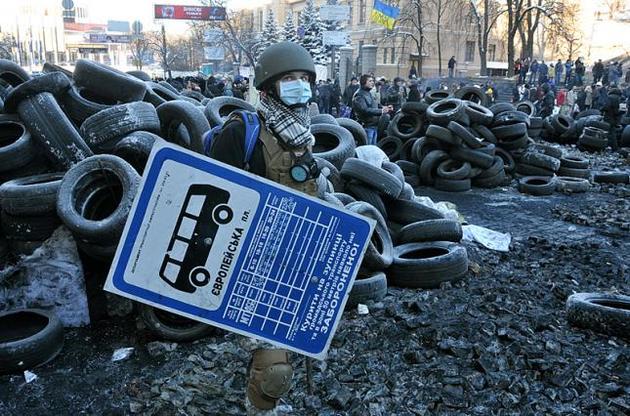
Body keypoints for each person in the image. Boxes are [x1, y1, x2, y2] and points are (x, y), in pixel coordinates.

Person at [208, 42, 322, 414]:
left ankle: (256, 398)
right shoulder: (241, 131)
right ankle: (261, 405)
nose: (300, 85)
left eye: (304, 78)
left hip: (292, 263)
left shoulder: (302, 135)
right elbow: (213, 200)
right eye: (289, 78)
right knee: (274, 371)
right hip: (247, 266)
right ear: (268, 86)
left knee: (281, 357)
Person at [352, 74, 392, 145]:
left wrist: (385, 107)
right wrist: (381, 111)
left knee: (372, 147)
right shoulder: (359, 94)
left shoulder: (368, 93)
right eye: (370, 81)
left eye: (373, 81)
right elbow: (364, 110)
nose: (372, 83)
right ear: (363, 82)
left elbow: (374, 104)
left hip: (373, 125)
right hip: (366, 126)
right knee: (367, 147)